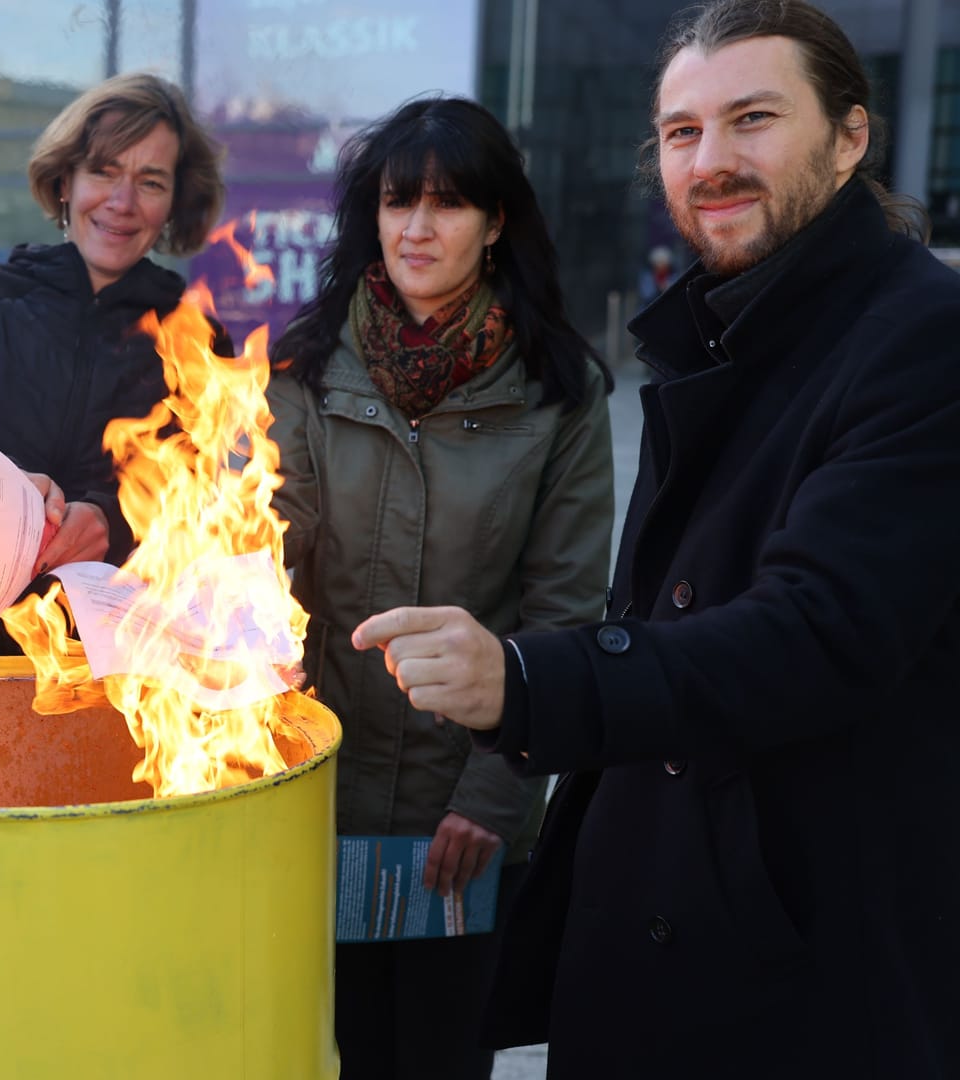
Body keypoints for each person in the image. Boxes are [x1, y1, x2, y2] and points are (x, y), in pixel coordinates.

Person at [352, 2, 959, 1074]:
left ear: (852, 136)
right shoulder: (722, 327)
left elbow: (818, 631)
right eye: (682, 132)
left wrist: (526, 683)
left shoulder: (919, 339)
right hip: (656, 914)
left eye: (753, 119)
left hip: (788, 955)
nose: (712, 161)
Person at [266, 97, 613, 1080]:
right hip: (310, 796)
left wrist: (494, 798)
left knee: (439, 1056)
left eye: (449, 204)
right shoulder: (302, 368)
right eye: (396, 202)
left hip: (457, 815)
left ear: (496, 220)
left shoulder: (560, 394)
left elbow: (564, 611)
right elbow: (267, 566)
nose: (418, 228)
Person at [0, 71, 227, 648]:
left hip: (122, 656)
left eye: (150, 182)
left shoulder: (199, 336)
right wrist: (2, 490)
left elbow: (191, 499)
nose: (122, 203)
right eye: (103, 171)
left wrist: (108, 519)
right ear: (64, 182)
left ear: (175, 203)